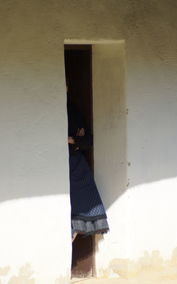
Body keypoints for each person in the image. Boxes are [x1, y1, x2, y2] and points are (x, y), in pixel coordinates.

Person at [67, 92, 109, 242]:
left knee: (85, 205)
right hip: (61, 164)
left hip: (77, 165)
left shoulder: (72, 109)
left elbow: (87, 140)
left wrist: (74, 140)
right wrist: (73, 139)